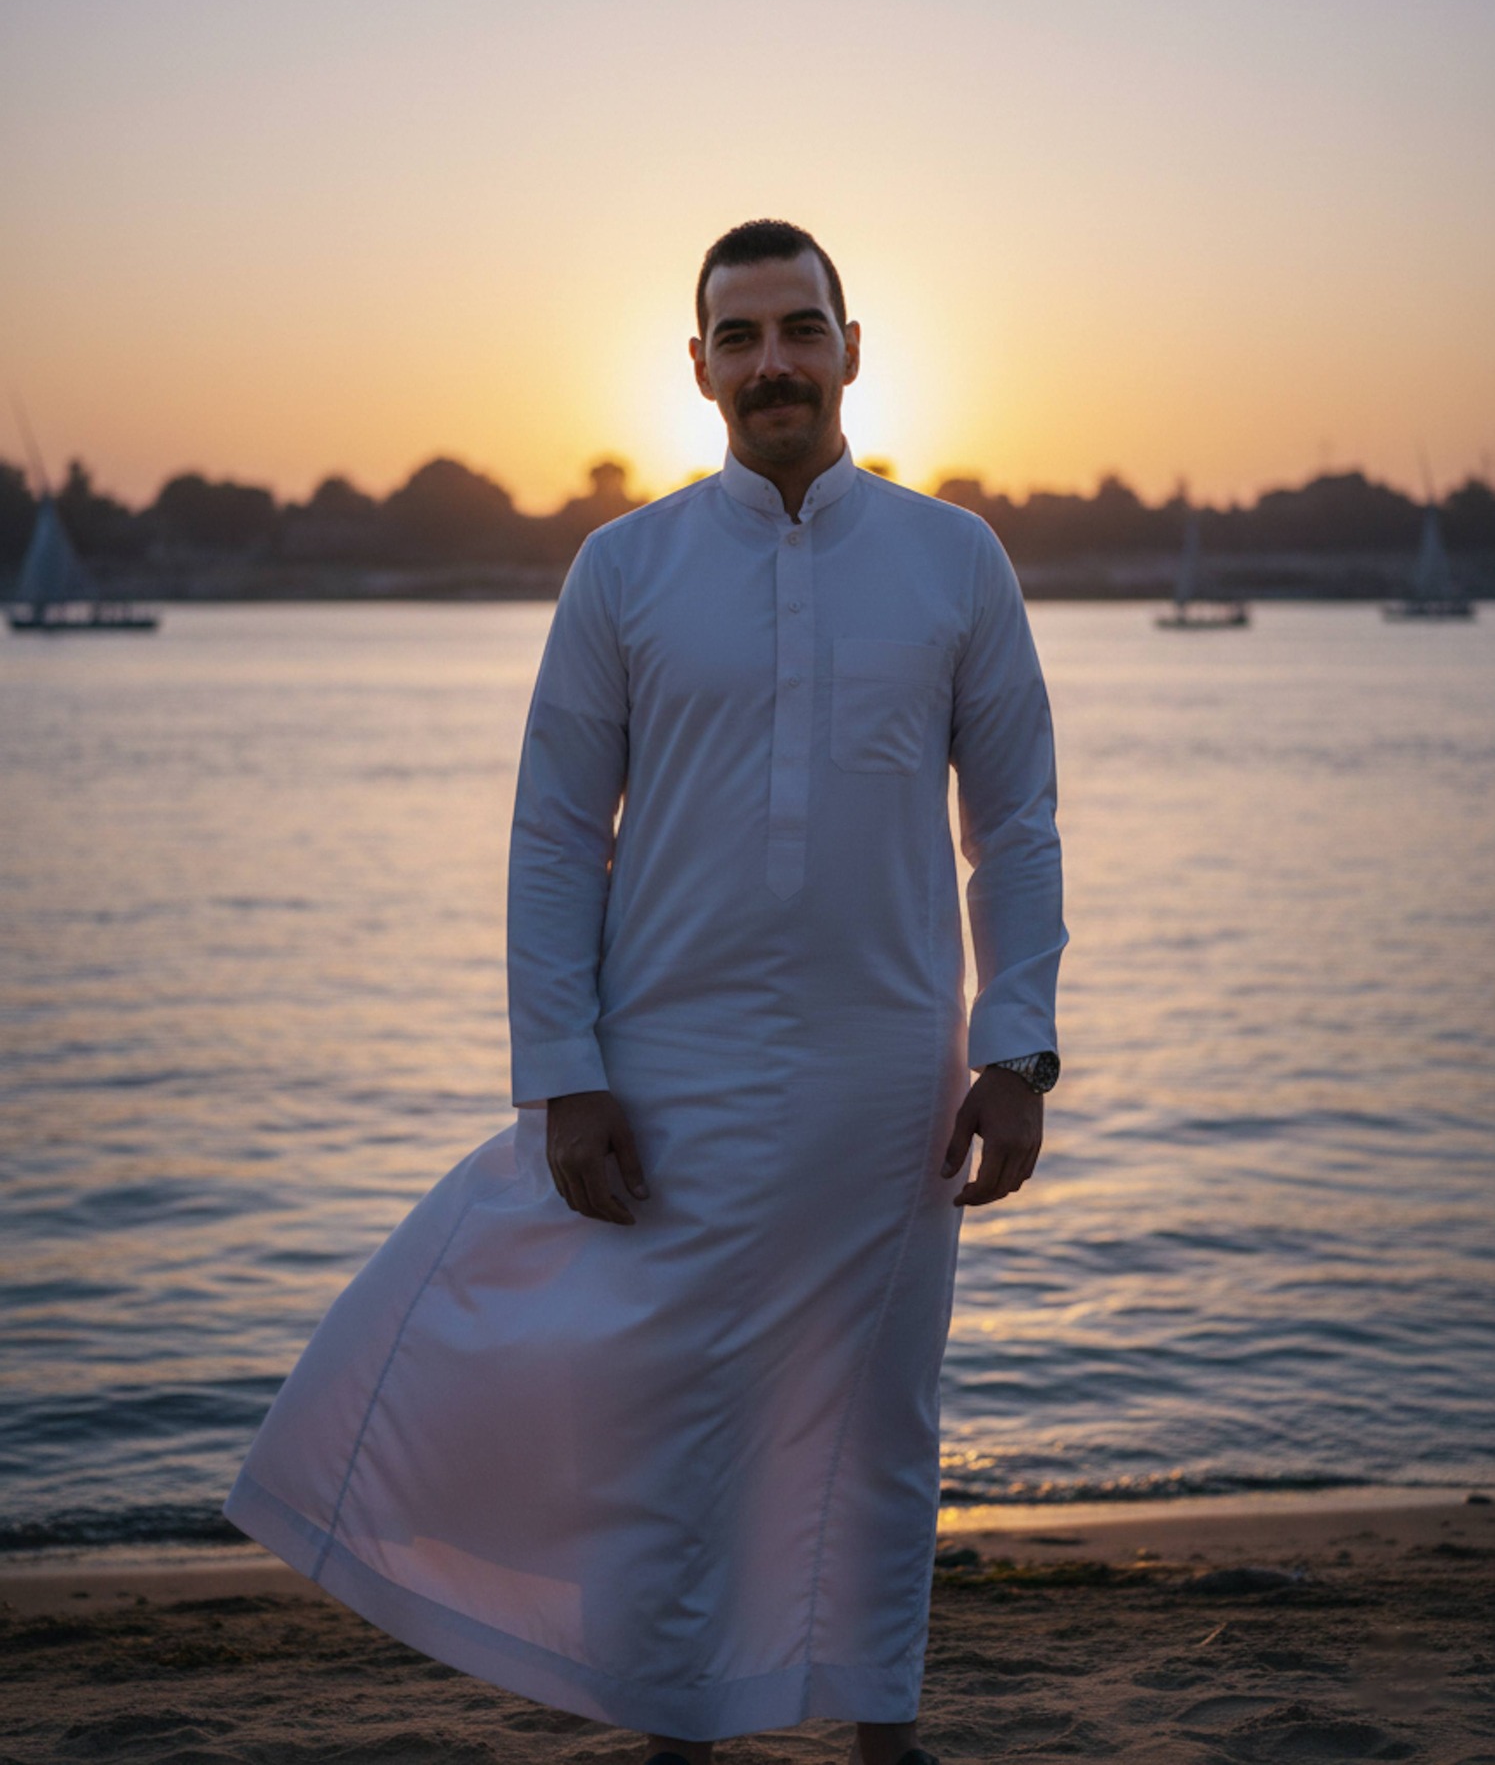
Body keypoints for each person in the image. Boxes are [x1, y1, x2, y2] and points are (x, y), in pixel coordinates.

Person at [225, 219, 1065, 1765]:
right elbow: (556, 832)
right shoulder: (627, 569)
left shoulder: (955, 560)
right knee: (672, 1427)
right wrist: (564, 1071)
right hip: (668, 1072)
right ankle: (678, 1727)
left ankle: (884, 1730)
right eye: (738, 338)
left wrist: (1016, 1051)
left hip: (893, 1078)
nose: (773, 365)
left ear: (854, 348)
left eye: (799, 330)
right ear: (697, 369)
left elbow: (1010, 822)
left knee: (885, 1418)